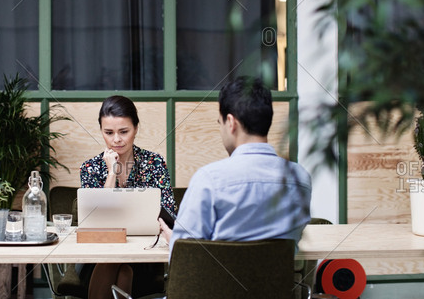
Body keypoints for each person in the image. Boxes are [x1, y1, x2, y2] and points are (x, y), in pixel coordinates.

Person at [159, 76, 312, 254]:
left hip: (218, 282)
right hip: (279, 282)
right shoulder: (300, 178)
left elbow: (184, 255)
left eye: (220, 123)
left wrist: (174, 242)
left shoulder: (209, 179)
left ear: (231, 123)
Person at [79, 95, 176, 299]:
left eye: (124, 132)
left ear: (136, 129)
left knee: (125, 269)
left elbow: (168, 215)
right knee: (118, 267)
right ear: (101, 132)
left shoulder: (154, 163)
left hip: (143, 253)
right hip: (99, 253)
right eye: (109, 132)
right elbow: (97, 221)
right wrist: (112, 172)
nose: (116, 139)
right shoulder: (90, 167)